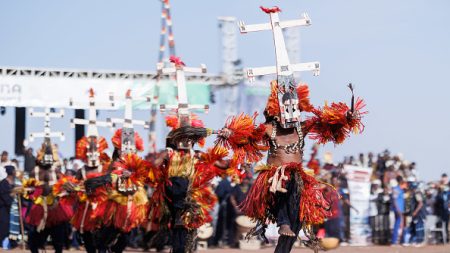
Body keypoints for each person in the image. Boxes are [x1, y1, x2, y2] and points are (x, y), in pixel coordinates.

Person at [230, 80, 365, 253]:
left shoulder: (302, 127)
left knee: (296, 224)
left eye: (293, 110)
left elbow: (327, 124)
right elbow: (246, 136)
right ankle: (283, 222)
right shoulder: (269, 129)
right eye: (285, 110)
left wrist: (346, 118)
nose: (290, 114)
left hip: (298, 178)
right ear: (276, 111)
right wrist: (232, 133)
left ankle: (285, 239)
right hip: (274, 178)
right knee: (289, 180)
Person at [23, 138, 73, 253]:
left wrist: (67, 190)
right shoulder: (34, 171)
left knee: (58, 241)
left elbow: (64, 184)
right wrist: (29, 191)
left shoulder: (56, 171)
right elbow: (28, 187)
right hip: (39, 208)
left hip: (55, 208)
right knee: (34, 240)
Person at [0, 166, 15, 247]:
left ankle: (12, 243)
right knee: (3, 225)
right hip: (3, 208)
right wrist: (12, 195)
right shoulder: (3, 183)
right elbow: (4, 196)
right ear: (11, 172)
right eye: (14, 170)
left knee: (12, 226)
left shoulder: (13, 182)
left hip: (12, 209)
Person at [391, 176, 405, 245]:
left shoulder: (400, 189)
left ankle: (396, 241)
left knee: (398, 225)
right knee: (396, 225)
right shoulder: (396, 189)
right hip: (398, 210)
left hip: (400, 209)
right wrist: (398, 209)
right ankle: (394, 242)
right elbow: (394, 200)